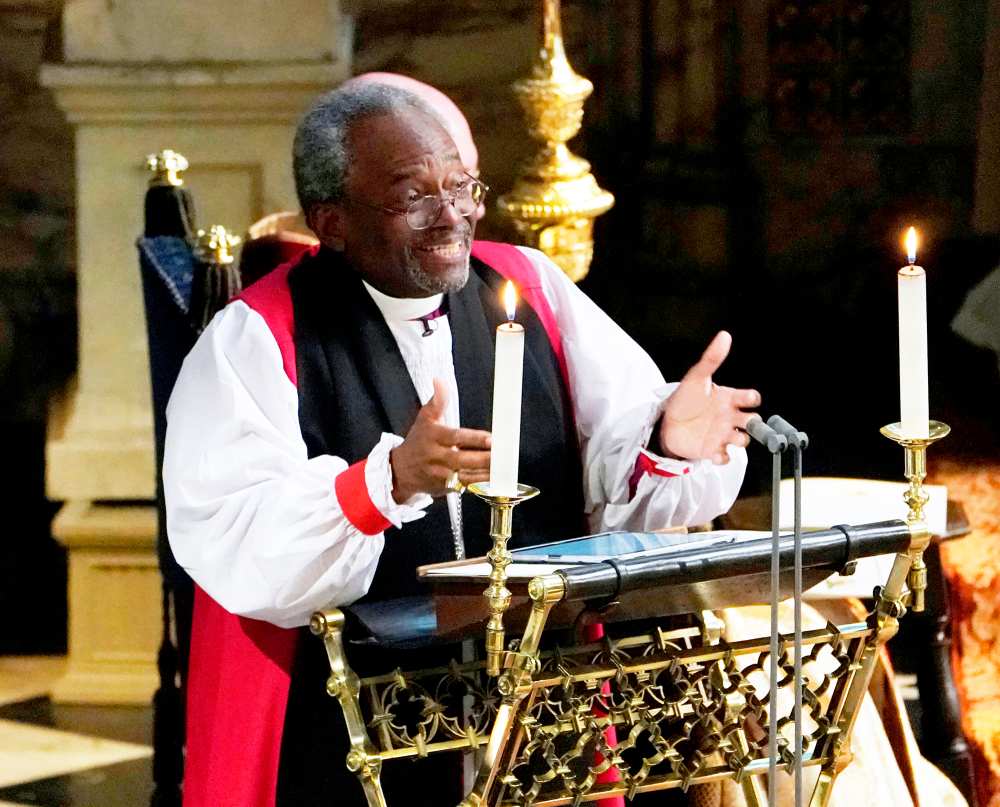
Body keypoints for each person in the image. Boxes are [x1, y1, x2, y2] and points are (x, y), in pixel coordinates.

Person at [163, 82, 760, 807]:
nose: (452, 214)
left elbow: (612, 469)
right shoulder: (256, 336)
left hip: (533, 704)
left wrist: (669, 441)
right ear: (333, 221)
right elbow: (234, 534)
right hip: (341, 725)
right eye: (412, 194)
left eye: (460, 184)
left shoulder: (528, 286)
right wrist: (383, 483)